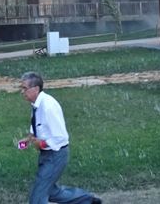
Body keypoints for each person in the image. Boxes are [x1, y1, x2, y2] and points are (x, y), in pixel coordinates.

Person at [19, 71, 101, 204]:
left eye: (24, 88)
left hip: (55, 155)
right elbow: (38, 125)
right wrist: (29, 138)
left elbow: (60, 137)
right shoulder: (36, 104)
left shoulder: (48, 106)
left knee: (37, 199)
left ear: (35, 89)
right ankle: (87, 200)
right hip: (47, 155)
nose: (22, 92)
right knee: (52, 192)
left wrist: (42, 144)